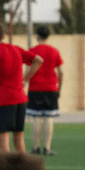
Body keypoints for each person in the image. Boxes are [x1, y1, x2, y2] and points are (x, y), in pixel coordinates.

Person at [0, 23, 42, 152]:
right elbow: (38, 60)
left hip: (4, 99)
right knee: (19, 138)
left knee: (3, 139)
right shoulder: (16, 49)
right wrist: (25, 79)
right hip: (20, 99)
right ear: (3, 36)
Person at [27, 26, 64, 156]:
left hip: (35, 88)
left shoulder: (32, 51)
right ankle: (47, 149)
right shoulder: (54, 51)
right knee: (48, 117)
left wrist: (24, 81)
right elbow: (61, 73)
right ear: (48, 37)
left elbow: (28, 71)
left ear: (37, 36)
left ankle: (36, 148)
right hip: (51, 88)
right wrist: (60, 88)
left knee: (36, 117)